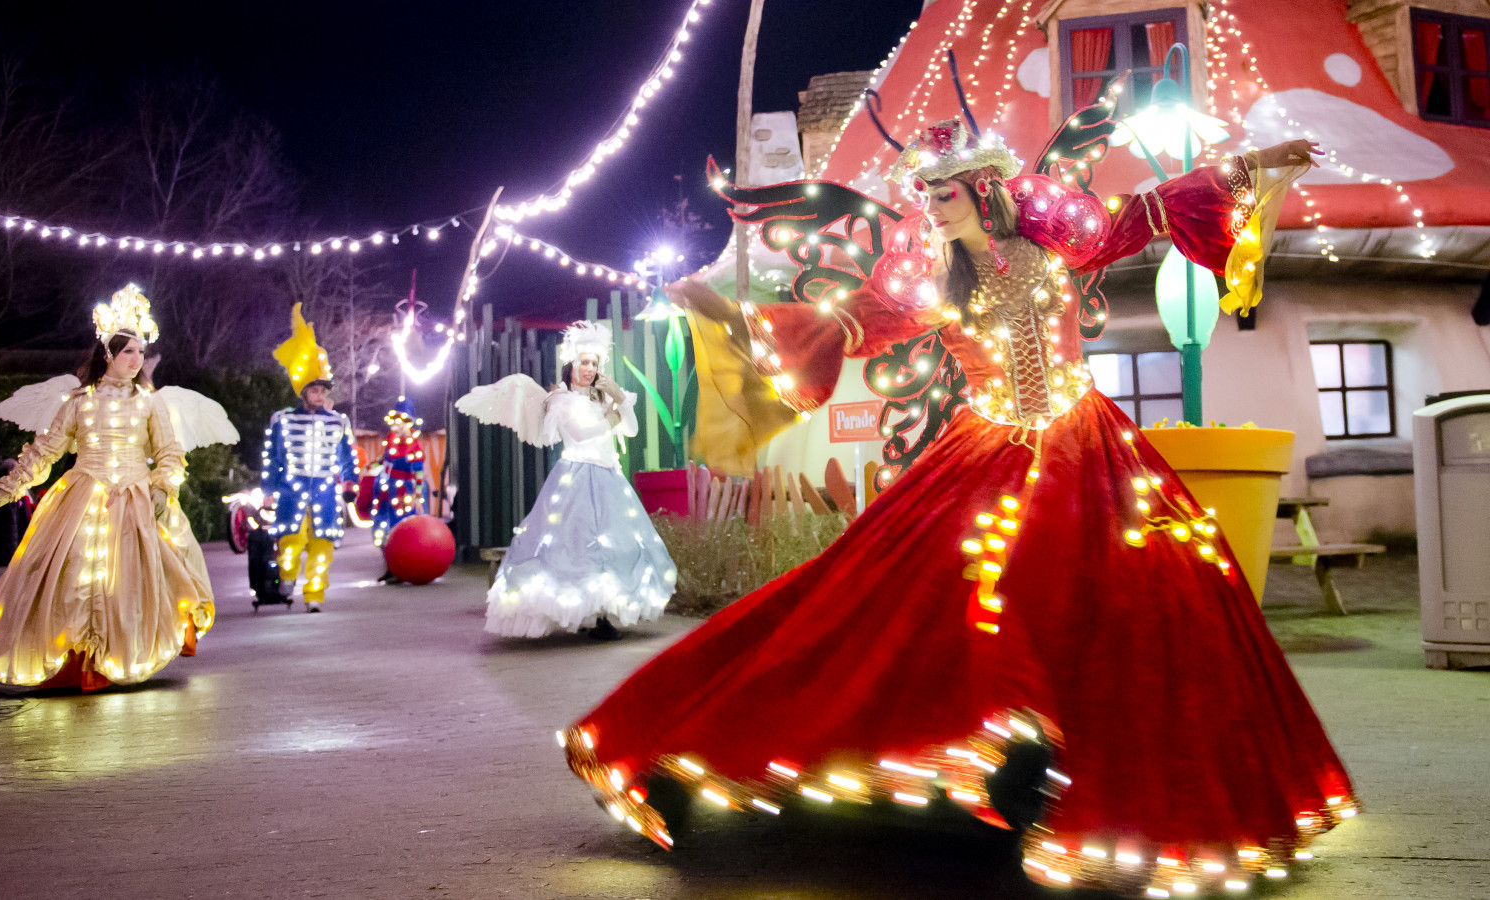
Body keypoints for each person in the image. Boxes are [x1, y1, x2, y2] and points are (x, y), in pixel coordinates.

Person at [560, 118, 1356, 897]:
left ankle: (1105, 787)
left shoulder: (1057, 247)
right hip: (984, 453)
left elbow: (1148, 213)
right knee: (883, 600)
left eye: (944, 191)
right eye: (926, 194)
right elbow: (841, 329)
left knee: (1146, 599)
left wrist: (1254, 163)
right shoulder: (937, 286)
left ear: (983, 188)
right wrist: (736, 322)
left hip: (1090, 447)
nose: (933, 205)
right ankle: (953, 753)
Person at [0, 285, 215, 691]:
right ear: (108, 355)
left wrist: (161, 487)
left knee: (130, 581)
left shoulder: (150, 404)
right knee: (68, 577)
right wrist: (10, 488)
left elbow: (170, 453)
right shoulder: (79, 401)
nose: (136, 361)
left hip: (135, 498)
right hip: (82, 495)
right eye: (128, 352)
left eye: (140, 352)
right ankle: (72, 657)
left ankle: (116, 656)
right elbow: (45, 451)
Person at [455, 321, 676, 639]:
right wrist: (612, 415)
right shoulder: (559, 400)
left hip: (609, 477)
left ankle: (603, 614)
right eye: (584, 362)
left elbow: (631, 430)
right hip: (577, 478)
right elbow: (579, 433)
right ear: (571, 364)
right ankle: (577, 610)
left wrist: (619, 400)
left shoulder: (601, 400)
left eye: (595, 363)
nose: (589, 368)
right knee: (577, 546)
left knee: (611, 545)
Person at [260, 303, 359, 612]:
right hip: (291, 489)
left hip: (326, 491)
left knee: (323, 546)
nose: (319, 394)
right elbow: (273, 458)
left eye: (322, 390)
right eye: (314, 390)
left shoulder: (338, 422)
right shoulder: (284, 420)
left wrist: (350, 482)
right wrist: (267, 491)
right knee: (290, 541)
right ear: (303, 392)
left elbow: (347, 456)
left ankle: (314, 595)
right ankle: (287, 579)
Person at [371, 397, 427, 583]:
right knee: (382, 530)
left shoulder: (413, 446)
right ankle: (389, 566)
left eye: (402, 421)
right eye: (395, 421)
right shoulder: (391, 441)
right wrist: (372, 467)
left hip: (404, 495)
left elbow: (418, 473)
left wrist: (417, 496)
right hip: (386, 493)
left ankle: (403, 569)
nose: (397, 425)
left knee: (401, 531)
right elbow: (385, 461)